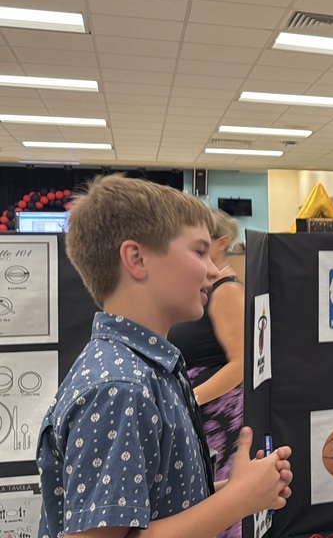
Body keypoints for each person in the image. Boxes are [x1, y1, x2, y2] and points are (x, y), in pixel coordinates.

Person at [38, 174, 292, 538]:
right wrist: (237, 500)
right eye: (199, 251)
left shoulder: (149, 371)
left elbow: (149, 511)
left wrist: (245, 492)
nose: (212, 269)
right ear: (137, 259)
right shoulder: (120, 388)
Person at [168, 209, 245, 538]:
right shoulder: (202, 289)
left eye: (200, 247)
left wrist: (193, 398)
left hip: (215, 414)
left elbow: (241, 364)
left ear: (221, 243)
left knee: (215, 505)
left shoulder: (227, 292)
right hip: (198, 410)